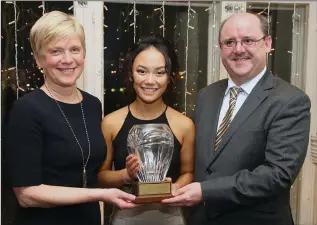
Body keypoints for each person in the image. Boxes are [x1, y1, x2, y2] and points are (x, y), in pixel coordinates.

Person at [162, 12, 311, 225]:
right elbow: (201, 159)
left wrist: (205, 191)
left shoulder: (290, 100)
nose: (238, 49)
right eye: (229, 42)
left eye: (248, 40)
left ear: (267, 43)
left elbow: (277, 174)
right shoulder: (207, 95)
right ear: (221, 48)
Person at [4, 11, 136, 225]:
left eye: (75, 49)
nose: (67, 60)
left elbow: (87, 171)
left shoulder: (92, 105)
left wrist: (127, 175)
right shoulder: (26, 110)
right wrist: (99, 195)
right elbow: (26, 195)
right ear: (39, 60)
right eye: (56, 51)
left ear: (83, 53)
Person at [98, 35, 195, 225]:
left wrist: (174, 188)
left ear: (169, 78)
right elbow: (101, 177)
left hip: (170, 215)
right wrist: (126, 174)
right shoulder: (111, 123)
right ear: (130, 74)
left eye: (160, 72)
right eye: (142, 71)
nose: (150, 81)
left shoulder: (184, 125)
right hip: (126, 216)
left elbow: (189, 173)